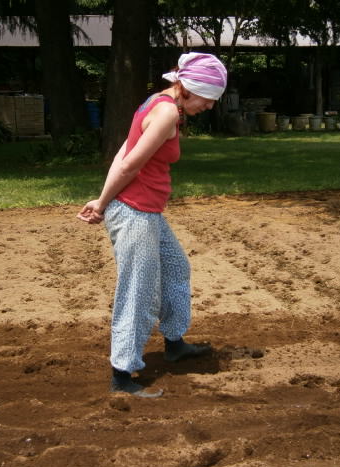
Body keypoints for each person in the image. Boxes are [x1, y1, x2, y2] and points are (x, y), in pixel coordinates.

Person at [77, 52, 228, 398]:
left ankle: (174, 343)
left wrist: (102, 198)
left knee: (176, 268)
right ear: (191, 88)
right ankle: (122, 374)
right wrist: (101, 204)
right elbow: (129, 165)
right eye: (209, 100)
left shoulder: (159, 102)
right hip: (134, 211)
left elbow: (122, 152)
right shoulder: (165, 114)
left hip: (146, 211)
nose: (209, 107)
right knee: (139, 290)